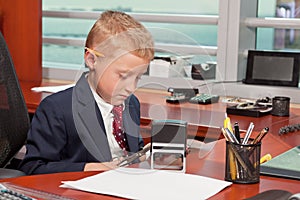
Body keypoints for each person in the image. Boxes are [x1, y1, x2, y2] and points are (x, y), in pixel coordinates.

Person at [19, 10, 154, 174]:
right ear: (92, 60)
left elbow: (131, 150)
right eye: (123, 76)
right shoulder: (57, 109)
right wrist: (92, 168)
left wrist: (142, 157)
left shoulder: (131, 103)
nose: (131, 87)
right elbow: (33, 168)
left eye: (138, 78)